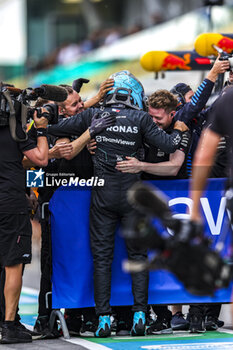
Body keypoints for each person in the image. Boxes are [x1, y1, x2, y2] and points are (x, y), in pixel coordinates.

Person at [47, 70, 188, 338]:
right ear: (134, 93)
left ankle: (103, 320)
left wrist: (45, 122)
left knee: (102, 260)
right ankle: (139, 315)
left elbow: (56, 128)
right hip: (133, 196)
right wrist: (180, 127)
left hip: (103, 197)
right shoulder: (141, 118)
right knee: (138, 257)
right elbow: (170, 144)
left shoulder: (93, 116)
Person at [0, 106, 49, 344]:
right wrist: (41, 131)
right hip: (10, 204)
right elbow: (40, 159)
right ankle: (8, 325)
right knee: (12, 265)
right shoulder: (17, 128)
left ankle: (11, 320)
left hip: (14, 197)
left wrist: (31, 188)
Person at [188, 85, 233, 333]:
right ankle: (199, 313)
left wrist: (195, 203)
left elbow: (203, 157)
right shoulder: (225, 99)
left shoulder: (227, 99)